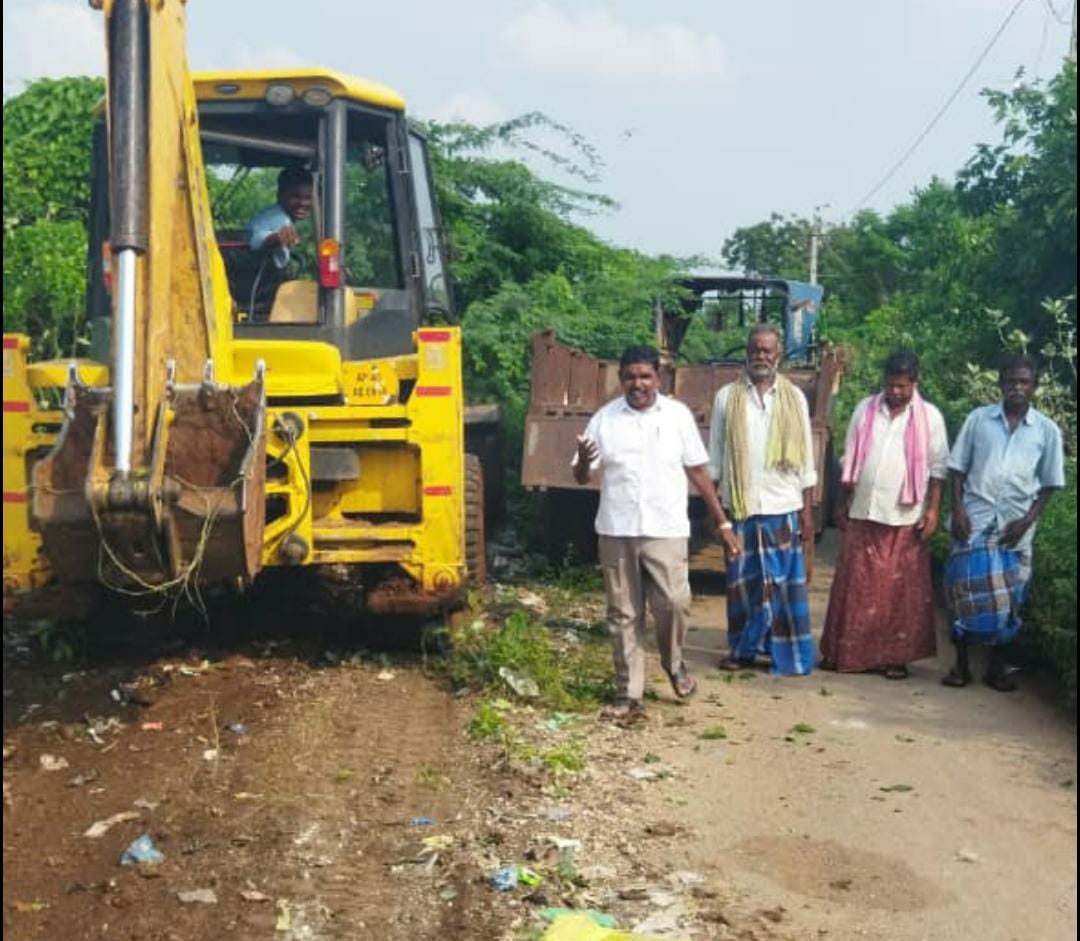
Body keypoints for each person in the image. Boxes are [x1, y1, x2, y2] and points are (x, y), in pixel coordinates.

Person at [574, 345, 737, 722]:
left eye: (645, 376)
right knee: (623, 614)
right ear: (621, 380)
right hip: (617, 529)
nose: (638, 384)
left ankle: (674, 662)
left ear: (658, 379)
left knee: (674, 604)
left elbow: (698, 471)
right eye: (630, 376)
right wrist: (583, 460)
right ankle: (628, 694)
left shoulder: (677, 416)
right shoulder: (605, 419)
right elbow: (583, 475)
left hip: (665, 529)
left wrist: (722, 522)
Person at [819, 351, 949, 679]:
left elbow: (938, 469)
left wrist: (932, 510)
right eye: (890, 386)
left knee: (897, 592)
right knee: (856, 587)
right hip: (864, 510)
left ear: (914, 384)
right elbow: (849, 461)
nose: (895, 392)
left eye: (902, 387)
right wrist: (841, 502)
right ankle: (844, 653)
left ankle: (894, 659)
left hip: (904, 517)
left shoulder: (930, 417)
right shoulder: (865, 410)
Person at [942, 353, 1065, 692]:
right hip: (974, 520)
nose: (1017, 387)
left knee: (1010, 599)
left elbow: (1050, 484)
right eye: (1011, 380)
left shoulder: (1046, 431)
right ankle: (961, 665)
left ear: (1033, 387)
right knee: (962, 592)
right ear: (1000, 383)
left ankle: (997, 669)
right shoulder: (979, 420)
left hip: (1014, 530)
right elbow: (957, 468)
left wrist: (1027, 521)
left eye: (1024, 381)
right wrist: (959, 510)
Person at [708, 323, 817, 675]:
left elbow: (807, 461)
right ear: (747, 352)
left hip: (782, 505)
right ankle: (742, 651)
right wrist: (719, 512)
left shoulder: (794, 398)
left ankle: (786, 654)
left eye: (767, 350)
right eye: (755, 349)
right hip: (741, 508)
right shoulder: (727, 397)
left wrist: (807, 510)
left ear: (778, 355)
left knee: (782, 589)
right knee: (744, 586)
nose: (761, 356)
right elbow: (716, 456)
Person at [247, 166, 314, 270]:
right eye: (295, 197)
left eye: (308, 198)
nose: (302, 203)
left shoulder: (279, 215)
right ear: (280, 195)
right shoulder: (279, 219)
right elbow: (257, 240)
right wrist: (276, 238)